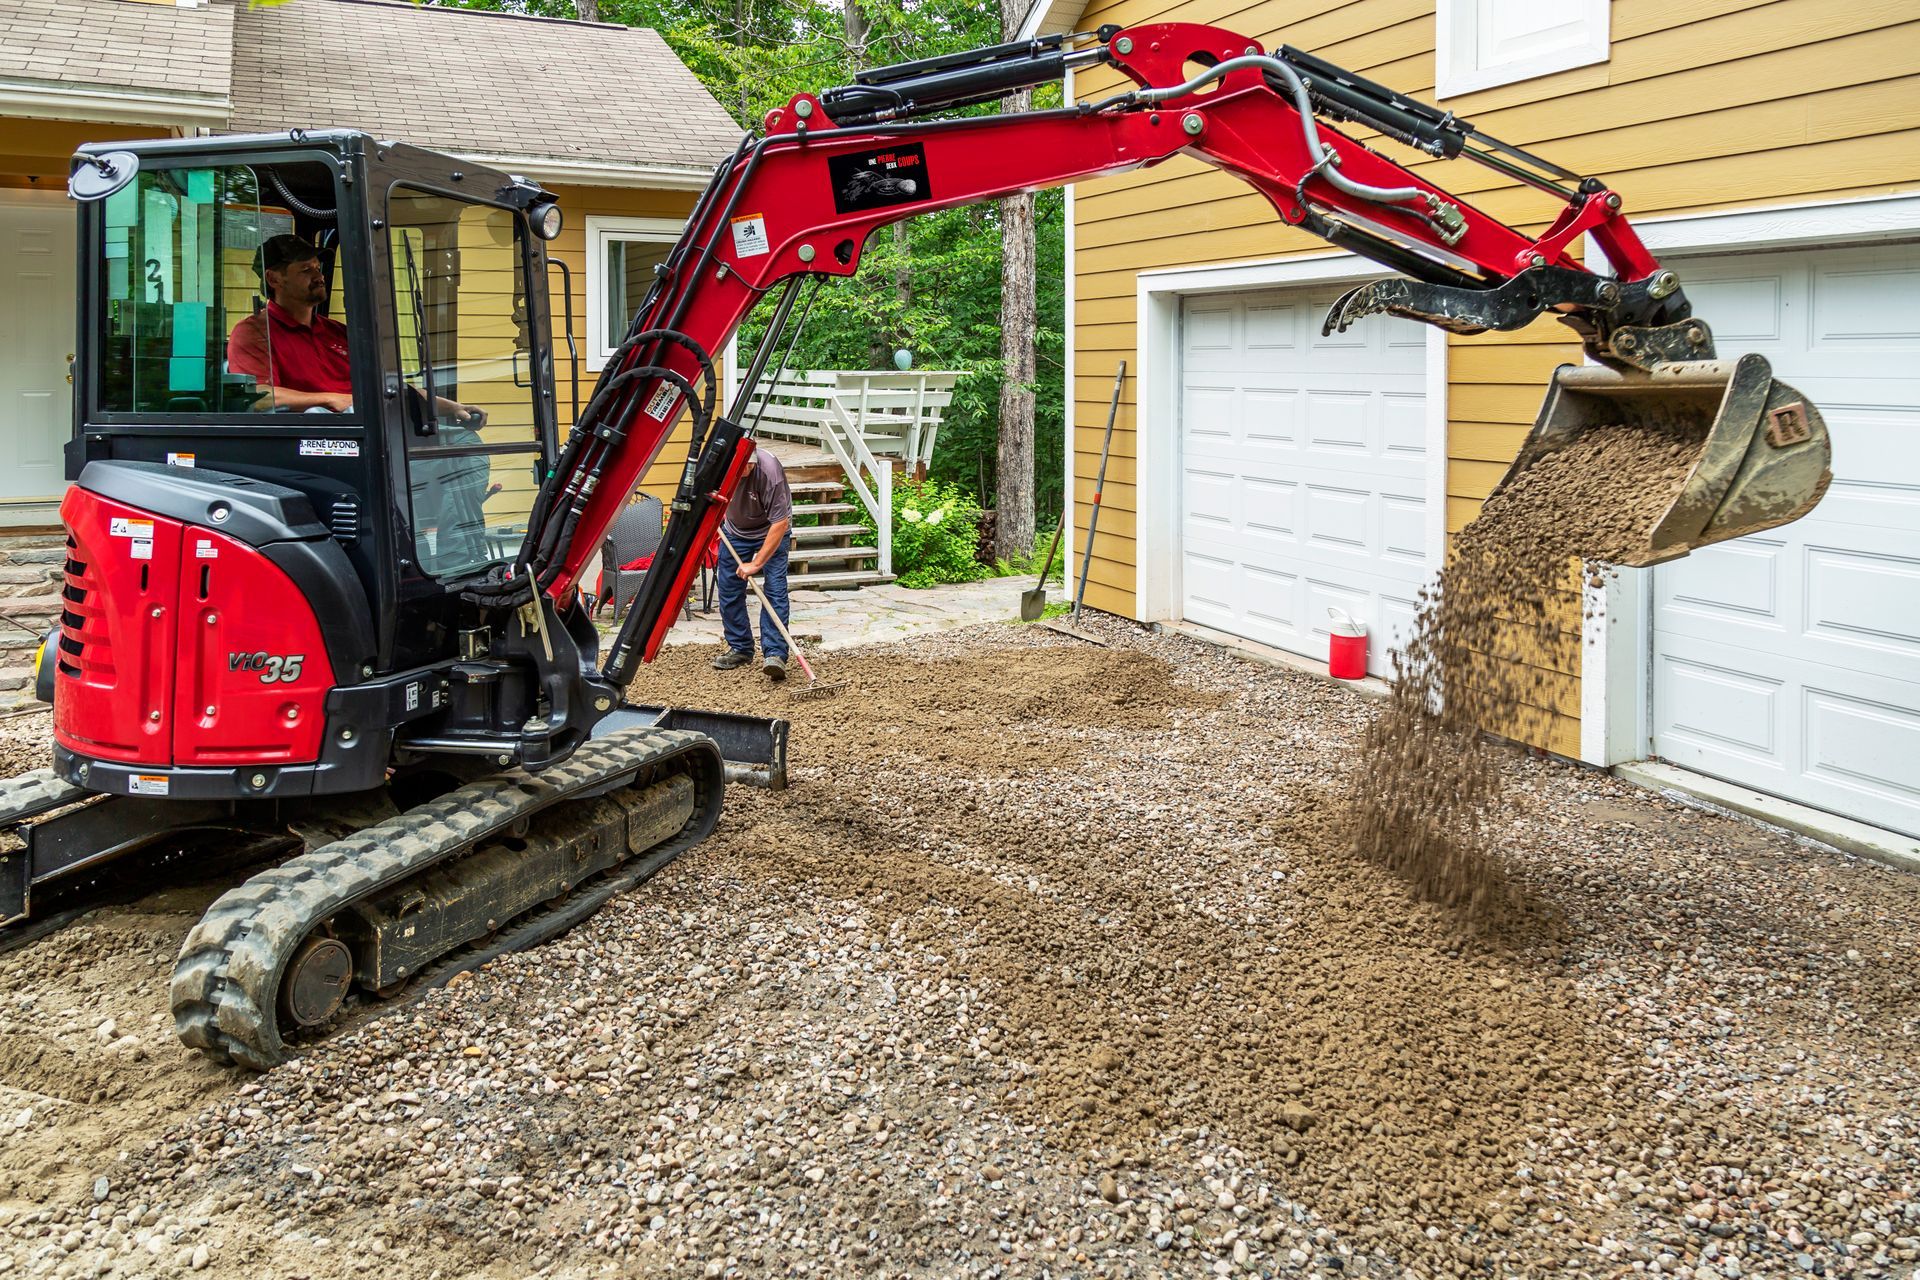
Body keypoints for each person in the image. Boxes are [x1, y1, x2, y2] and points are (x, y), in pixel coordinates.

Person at [712, 446, 793, 680]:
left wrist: (756, 563)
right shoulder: (720, 467)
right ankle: (740, 648)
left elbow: (780, 524)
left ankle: (775, 654)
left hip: (772, 530)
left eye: (751, 463)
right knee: (728, 588)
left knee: (775, 589)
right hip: (735, 531)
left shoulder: (770, 473)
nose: (749, 467)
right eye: (743, 465)